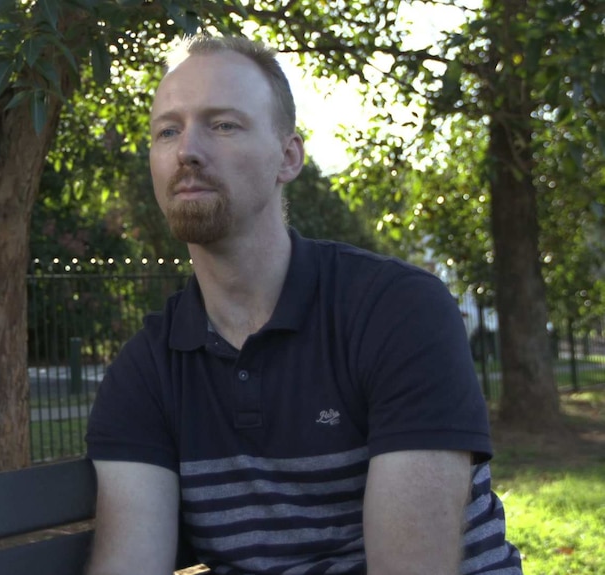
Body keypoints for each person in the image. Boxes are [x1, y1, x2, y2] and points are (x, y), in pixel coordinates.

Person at [84, 34, 523, 575]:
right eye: (167, 131)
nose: (187, 151)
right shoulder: (147, 371)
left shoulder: (397, 311)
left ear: (288, 157)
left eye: (223, 124)